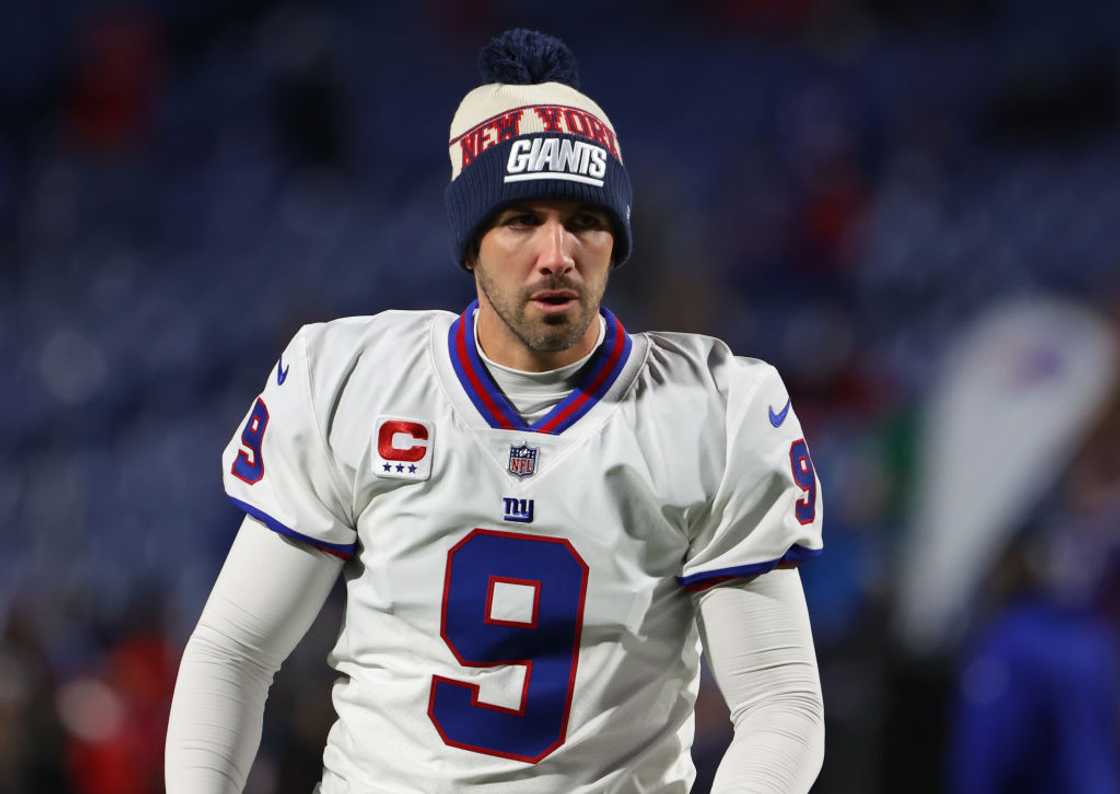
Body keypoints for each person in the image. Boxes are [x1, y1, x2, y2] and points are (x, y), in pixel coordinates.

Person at [165, 29, 825, 794]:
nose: (557, 253)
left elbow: (780, 702)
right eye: (522, 220)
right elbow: (236, 651)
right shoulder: (354, 377)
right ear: (471, 242)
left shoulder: (712, 407)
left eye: (584, 220)